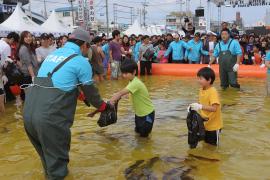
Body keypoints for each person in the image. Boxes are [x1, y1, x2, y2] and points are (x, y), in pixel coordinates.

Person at [23, 28, 109, 179]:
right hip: (49, 119)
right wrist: (103, 107)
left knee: (48, 162)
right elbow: (92, 93)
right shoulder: (80, 61)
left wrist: (79, 96)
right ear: (84, 45)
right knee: (58, 169)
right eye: (88, 47)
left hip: (28, 114)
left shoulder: (53, 55)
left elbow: (58, 82)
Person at [110, 59, 155, 137]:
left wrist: (110, 101)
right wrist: (124, 96)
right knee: (137, 133)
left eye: (126, 73)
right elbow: (130, 93)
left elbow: (120, 93)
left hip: (147, 114)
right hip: (139, 114)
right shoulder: (131, 81)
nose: (124, 75)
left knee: (144, 138)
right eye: (123, 73)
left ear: (134, 72)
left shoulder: (135, 83)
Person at [189, 67, 222, 146]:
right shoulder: (201, 90)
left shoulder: (212, 91)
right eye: (198, 78)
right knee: (205, 145)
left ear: (209, 80)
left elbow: (214, 108)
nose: (198, 81)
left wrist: (200, 106)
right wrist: (193, 106)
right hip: (204, 124)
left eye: (200, 79)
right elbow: (200, 102)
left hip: (214, 126)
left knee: (213, 147)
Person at [0, 32, 19, 113]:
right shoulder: (7, 47)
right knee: (1, 98)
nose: (13, 44)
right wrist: (4, 74)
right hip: (0, 73)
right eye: (14, 42)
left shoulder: (0, 41)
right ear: (12, 39)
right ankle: (4, 117)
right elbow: (5, 64)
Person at [17, 31, 39, 100]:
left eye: (30, 36)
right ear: (22, 38)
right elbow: (28, 64)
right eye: (26, 37)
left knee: (32, 97)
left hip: (30, 75)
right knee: (30, 98)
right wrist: (33, 77)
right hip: (28, 76)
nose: (29, 38)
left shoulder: (29, 47)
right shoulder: (24, 48)